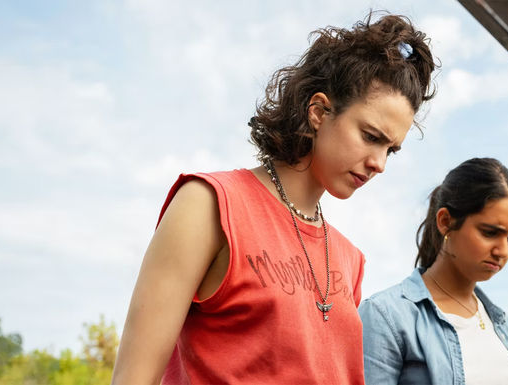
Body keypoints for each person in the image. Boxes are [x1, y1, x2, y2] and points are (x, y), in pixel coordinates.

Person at [111, 12, 436, 384]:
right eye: (370, 136)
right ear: (319, 111)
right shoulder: (209, 204)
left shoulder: (350, 260)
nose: (379, 163)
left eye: (391, 150)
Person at [359, 157, 508, 385]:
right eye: (490, 232)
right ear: (445, 221)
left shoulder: (498, 320)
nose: (502, 250)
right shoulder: (386, 316)